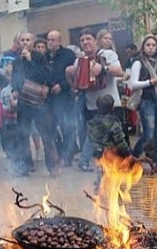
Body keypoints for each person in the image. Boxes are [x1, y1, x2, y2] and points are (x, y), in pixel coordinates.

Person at [66, 27, 125, 172]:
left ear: (95, 41)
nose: (85, 43)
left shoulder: (107, 54)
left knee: (110, 134)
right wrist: (68, 73)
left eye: (88, 39)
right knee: (94, 135)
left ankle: (102, 162)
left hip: (111, 103)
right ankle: (94, 162)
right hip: (92, 105)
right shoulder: (78, 61)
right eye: (82, 40)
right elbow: (75, 86)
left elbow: (120, 72)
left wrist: (103, 68)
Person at [11, 30, 60, 178]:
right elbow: (15, 78)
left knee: (46, 135)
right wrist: (14, 89)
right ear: (18, 43)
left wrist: (31, 60)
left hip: (39, 103)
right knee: (23, 134)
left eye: (27, 40)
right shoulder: (16, 60)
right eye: (22, 40)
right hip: (23, 102)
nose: (25, 43)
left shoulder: (40, 57)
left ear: (33, 42)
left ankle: (52, 166)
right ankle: (25, 166)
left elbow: (43, 76)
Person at [129, 35, 157, 168]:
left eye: (153, 45)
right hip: (147, 101)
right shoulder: (138, 62)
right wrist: (150, 82)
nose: (151, 48)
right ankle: (133, 157)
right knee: (149, 134)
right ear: (143, 47)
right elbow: (133, 84)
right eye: (148, 45)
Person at [88, 94, 132, 194]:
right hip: (112, 154)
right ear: (112, 108)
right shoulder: (113, 124)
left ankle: (100, 189)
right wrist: (127, 153)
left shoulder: (93, 123)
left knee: (101, 171)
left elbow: (91, 140)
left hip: (98, 153)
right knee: (114, 174)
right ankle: (113, 192)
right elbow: (120, 141)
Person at [46, 30, 77, 167]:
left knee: (68, 128)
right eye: (48, 40)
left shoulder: (68, 55)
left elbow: (74, 75)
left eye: (53, 40)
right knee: (52, 129)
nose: (50, 42)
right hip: (50, 99)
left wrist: (62, 86)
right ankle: (59, 154)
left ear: (59, 41)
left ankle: (67, 157)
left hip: (65, 98)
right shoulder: (45, 57)